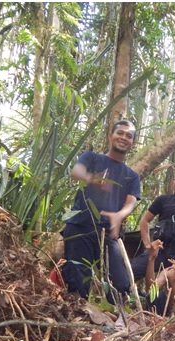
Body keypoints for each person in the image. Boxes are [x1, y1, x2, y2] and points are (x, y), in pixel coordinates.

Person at [61, 120, 140, 302]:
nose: (124, 138)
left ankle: (118, 320)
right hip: (81, 225)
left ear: (133, 143)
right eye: (120, 133)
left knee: (120, 283)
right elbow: (76, 172)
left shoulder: (132, 175)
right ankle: (79, 317)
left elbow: (131, 201)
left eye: (129, 136)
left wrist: (119, 215)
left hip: (109, 231)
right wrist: (91, 179)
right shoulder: (92, 158)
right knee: (78, 279)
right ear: (110, 136)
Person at [131, 169, 175, 280]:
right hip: (161, 251)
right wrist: (147, 244)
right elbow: (144, 221)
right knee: (131, 270)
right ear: (172, 182)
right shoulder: (163, 200)